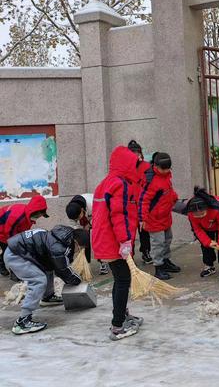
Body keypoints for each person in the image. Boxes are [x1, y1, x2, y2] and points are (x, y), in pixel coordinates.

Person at [92, 145, 144, 341]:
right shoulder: (120, 184)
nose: (136, 166)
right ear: (126, 164)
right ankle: (117, 326)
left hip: (105, 240)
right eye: (134, 163)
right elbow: (118, 215)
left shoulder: (106, 182)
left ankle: (122, 315)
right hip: (113, 241)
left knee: (120, 279)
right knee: (123, 281)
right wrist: (125, 241)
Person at [4, 225, 88, 335]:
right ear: (76, 242)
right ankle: (22, 322)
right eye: (80, 248)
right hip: (16, 255)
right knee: (38, 280)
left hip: (18, 251)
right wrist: (77, 280)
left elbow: (56, 265)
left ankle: (47, 297)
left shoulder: (59, 238)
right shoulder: (58, 247)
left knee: (48, 269)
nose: (78, 251)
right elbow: (62, 270)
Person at [138, 152, 180, 280]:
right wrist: (142, 219)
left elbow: (168, 190)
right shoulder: (150, 181)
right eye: (164, 168)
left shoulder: (167, 175)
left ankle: (166, 261)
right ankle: (158, 266)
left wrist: (174, 198)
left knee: (168, 239)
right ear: (156, 166)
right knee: (158, 243)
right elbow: (143, 201)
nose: (166, 170)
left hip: (165, 215)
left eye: (168, 168)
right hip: (154, 218)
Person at [185, 187, 219, 281]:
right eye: (196, 215)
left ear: (207, 208)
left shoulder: (218, 208)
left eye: (202, 214)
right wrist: (207, 242)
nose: (199, 217)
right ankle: (209, 265)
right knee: (205, 245)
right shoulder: (190, 213)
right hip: (205, 227)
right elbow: (197, 230)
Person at [0, 195, 49, 278]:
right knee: (10, 251)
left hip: (10, 230)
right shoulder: (17, 216)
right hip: (2, 230)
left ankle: (11, 268)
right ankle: (11, 272)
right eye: (40, 215)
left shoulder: (29, 216)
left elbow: (22, 231)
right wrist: (15, 246)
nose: (39, 217)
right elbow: (9, 233)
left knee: (14, 250)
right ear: (36, 211)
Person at [66, 194, 109, 275]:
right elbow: (74, 227)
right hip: (85, 222)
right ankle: (85, 263)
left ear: (82, 210)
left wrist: (89, 224)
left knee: (99, 239)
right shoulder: (71, 211)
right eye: (75, 219)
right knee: (82, 241)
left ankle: (103, 262)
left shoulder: (92, 203)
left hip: (99, 218)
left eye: (78, 218)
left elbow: (101, 218)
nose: (77, 220)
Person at [128, 140, 152, 265]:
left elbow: (150, 184)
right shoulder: (125, 167)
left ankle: (146, 251)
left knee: (144, 231)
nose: (136, 156)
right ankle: (129, 255)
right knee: (129, 232)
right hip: (129, 205)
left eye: (138, 153)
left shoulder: (146, 166)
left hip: (142, 204)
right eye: (133, 153)